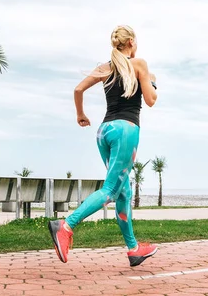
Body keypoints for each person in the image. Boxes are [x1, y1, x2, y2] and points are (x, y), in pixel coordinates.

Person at [48, 25, 159, 267]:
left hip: (104, 131)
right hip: (126, 130)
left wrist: (80, 114)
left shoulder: (105, 68)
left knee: (123, 191)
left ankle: (133, 249)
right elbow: (150, 101)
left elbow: (78, 89)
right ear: (130, 42)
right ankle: (65, 227)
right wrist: (150, 82)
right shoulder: (139, 64)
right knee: (110, 190)